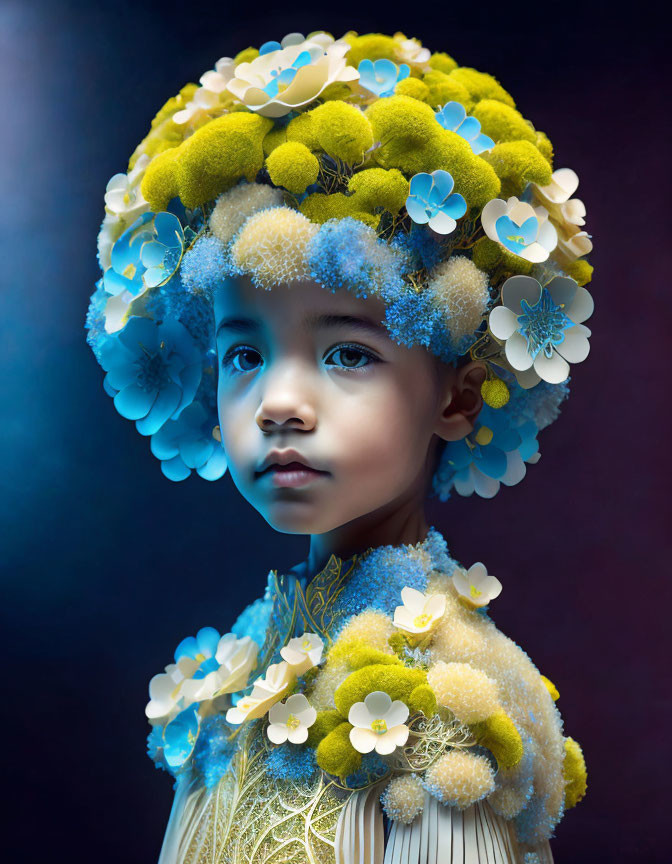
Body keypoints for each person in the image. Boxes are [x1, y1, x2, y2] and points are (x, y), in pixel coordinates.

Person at [86, 30, 592, 864]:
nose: (280, 403)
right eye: (245, 355)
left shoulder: (448, 713)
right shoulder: (235, 679)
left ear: (458, 396)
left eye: (347, 353)